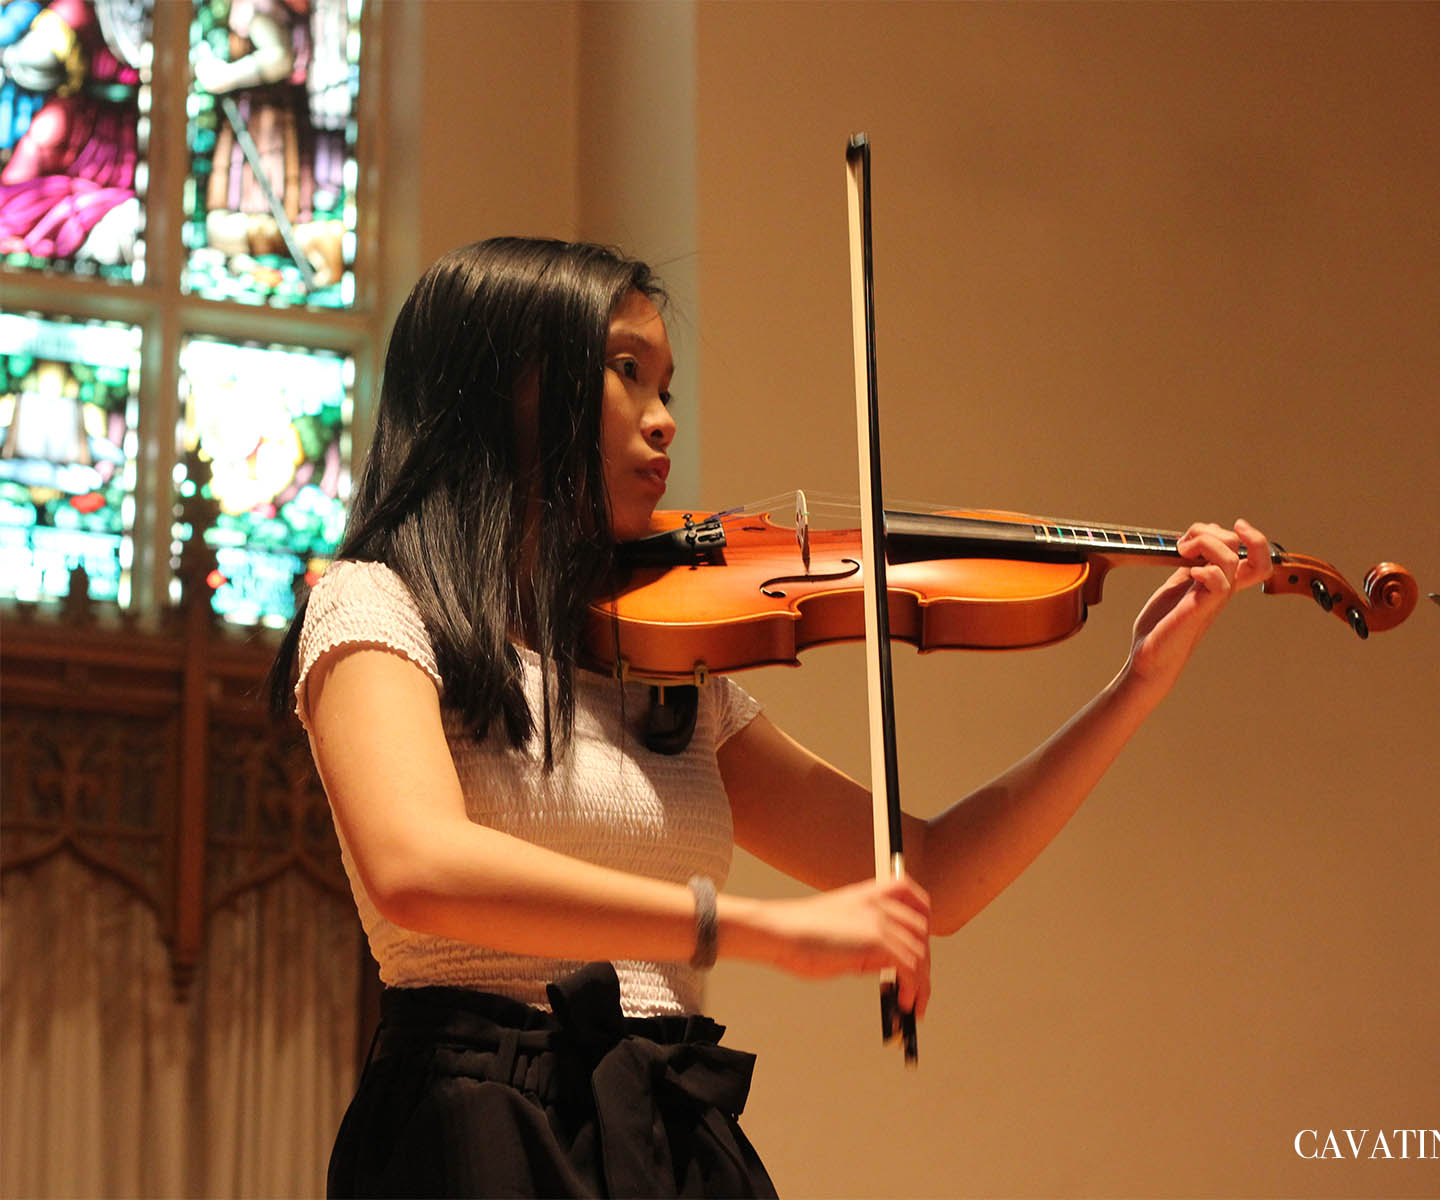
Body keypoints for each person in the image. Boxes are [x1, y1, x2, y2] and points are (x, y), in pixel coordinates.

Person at [268, 236, 1273, 1198]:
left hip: (668, 1125)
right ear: (511, 385)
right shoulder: (375, 604)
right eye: (626, 372)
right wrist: (753, 930)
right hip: (474, 1123)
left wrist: (1136, 686)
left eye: (668, 389)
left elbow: (927, 871)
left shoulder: (664, 664)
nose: (663, 421)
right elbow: (418, 867)